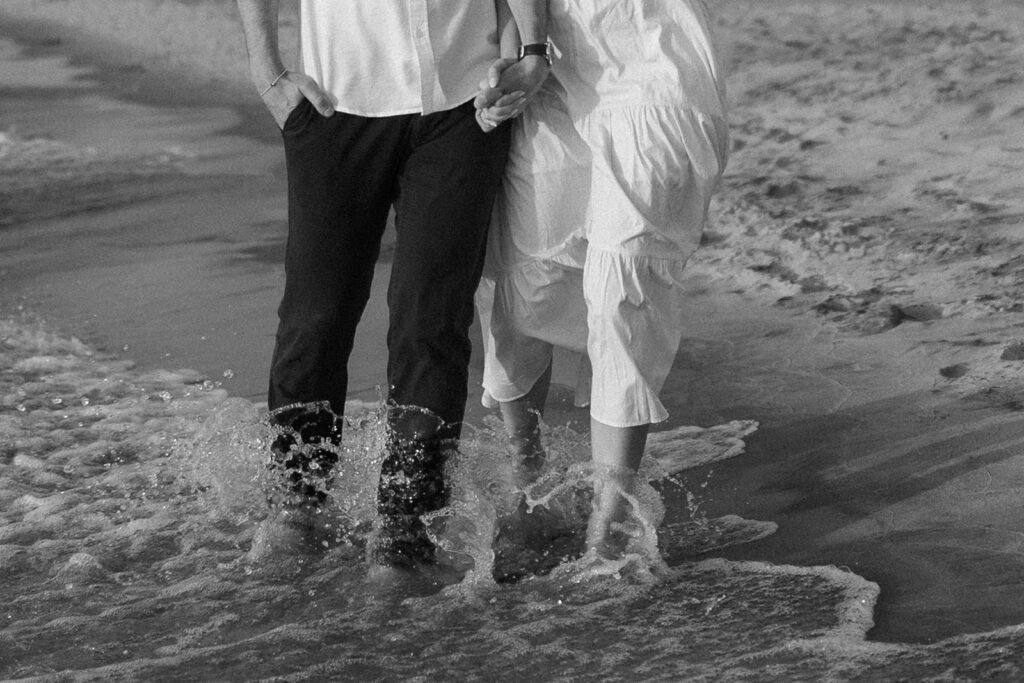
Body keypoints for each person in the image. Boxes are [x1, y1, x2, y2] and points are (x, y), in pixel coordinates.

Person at [235, 0, 550, 568]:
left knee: (430, 319)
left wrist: (530, 50)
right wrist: (267, 70)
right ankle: (297, 501)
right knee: (316, 314)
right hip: (337, 103)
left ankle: (409, 518)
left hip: (463, 104)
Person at [475, 0, 730, 559]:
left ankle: (608, 529)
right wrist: (517, 52)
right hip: (546, 68)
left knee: (622, 288)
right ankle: (528, 477)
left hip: (650, 68)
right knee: (523, 283)